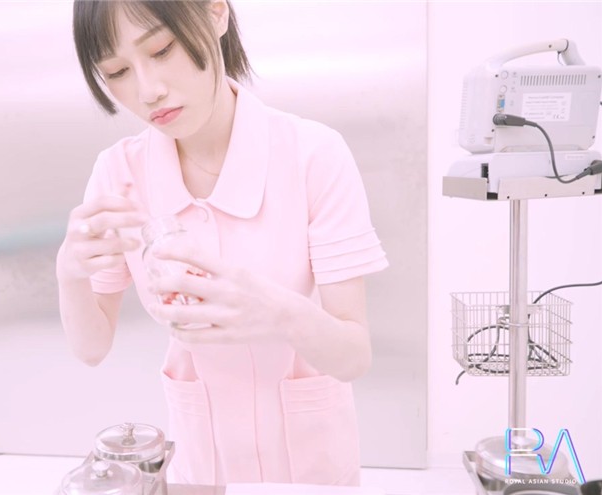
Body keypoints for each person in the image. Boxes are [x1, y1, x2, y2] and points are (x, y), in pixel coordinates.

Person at [56, 0, 388, 486]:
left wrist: (275, 310)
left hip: (311, 465)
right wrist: (69, 273)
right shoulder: (120, 173)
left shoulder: (313, 154)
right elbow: (91, 348)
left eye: (162, 49)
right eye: (118, 72)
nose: (148, 91)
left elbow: (354, 356)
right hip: (201, 466)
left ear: (216, 13)